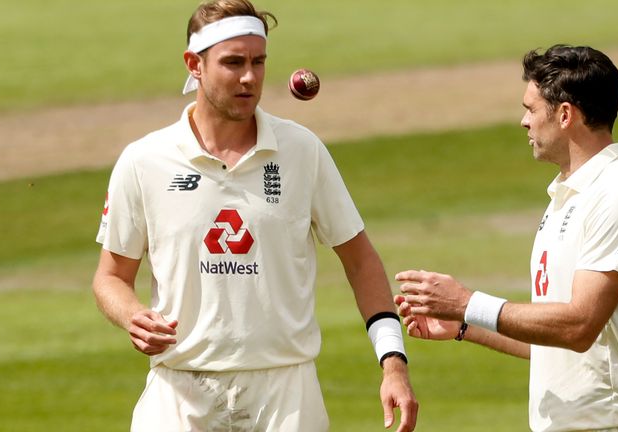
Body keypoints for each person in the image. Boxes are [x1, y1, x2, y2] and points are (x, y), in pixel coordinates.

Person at [92, 1, 418, 430]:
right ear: (194, 64)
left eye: (258, 62)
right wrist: (132, 314)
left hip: (286, 396)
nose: (249, 77)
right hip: (178, 394)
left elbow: (361, 262)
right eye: (232, 63)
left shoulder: (302, 151)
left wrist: (393, 362)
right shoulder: (144, 160)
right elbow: (111, 276)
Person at [394, 44, 618, 432]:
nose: (524, 121)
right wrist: (464, 324)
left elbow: (579, 325)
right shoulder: (566, 194)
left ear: (566, 114)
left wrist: (469, 302)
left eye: (531, 108)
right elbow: (553, 341)